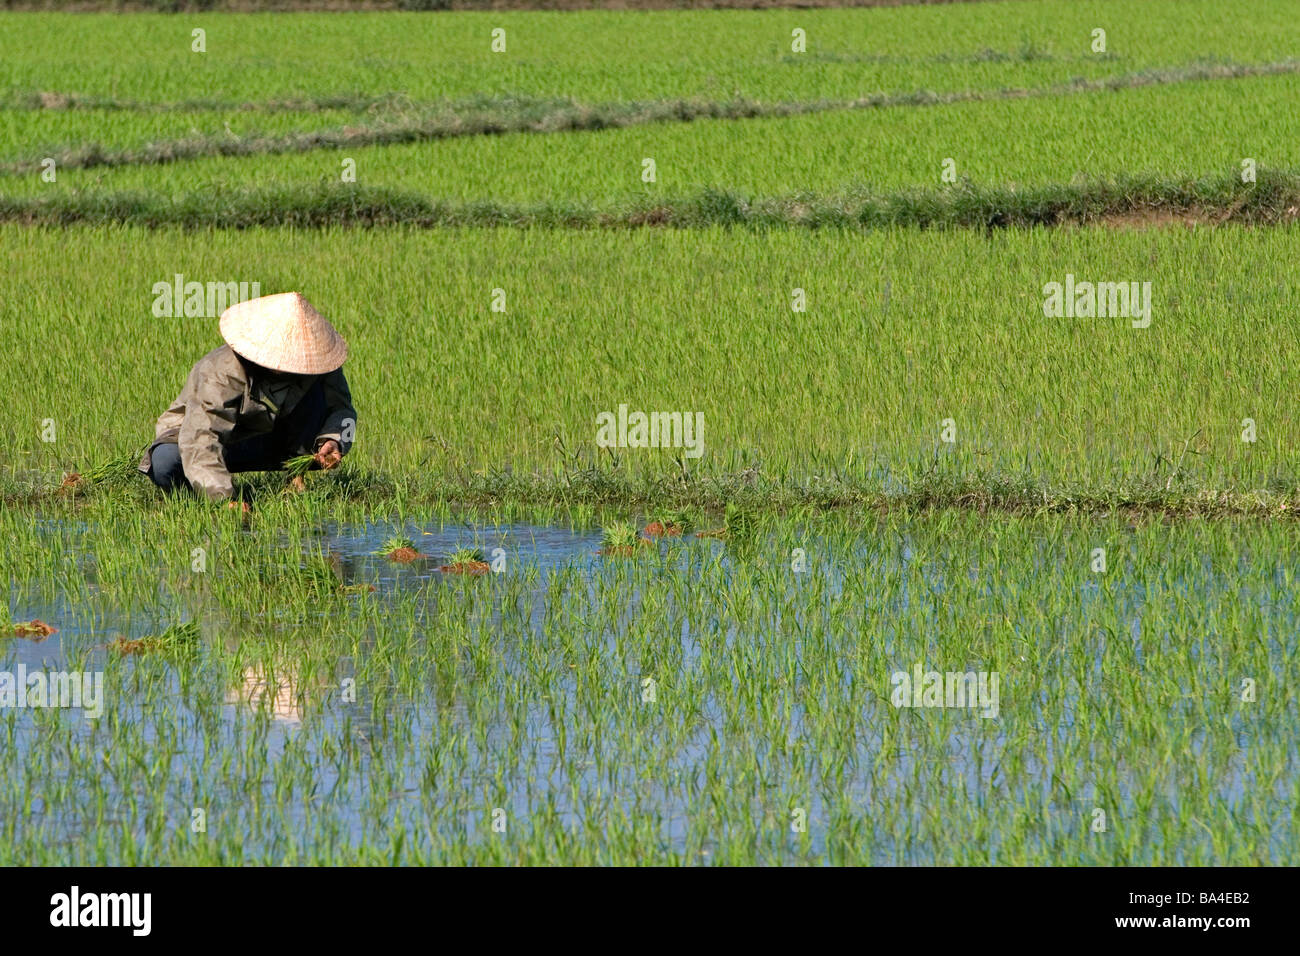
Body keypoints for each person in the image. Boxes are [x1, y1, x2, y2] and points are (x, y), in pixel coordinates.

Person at [138, 292, 356, 508]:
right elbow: (201, 439)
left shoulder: (318, 361)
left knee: (318, 394)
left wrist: (334, 441)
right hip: (208, 441)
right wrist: (223, 499)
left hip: (271, 437)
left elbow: (344, 411)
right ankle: (199, 497)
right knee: (165, 463)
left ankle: (295, 476)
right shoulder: (218, 372)